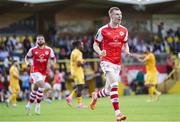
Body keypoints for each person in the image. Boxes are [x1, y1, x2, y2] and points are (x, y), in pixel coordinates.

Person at [90, 7, 130, 121]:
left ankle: (96, 95)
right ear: (111, 16)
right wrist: (100, 52)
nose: (119, 16)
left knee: (108, 91)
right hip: (106, 61)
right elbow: (95, 45)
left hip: (117, 63)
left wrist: (126, 50)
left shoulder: (124, 30)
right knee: (115, 85)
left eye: (120, 14)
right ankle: (118, 114)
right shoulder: (102, 30)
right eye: (117, 14)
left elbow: (125, 44)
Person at [25, 34, 56, 115]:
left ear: (44, 40)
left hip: (44, 71)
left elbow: (53, 58)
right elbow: (26, 57)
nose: (40, 41)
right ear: (36, 41)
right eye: (38, 39)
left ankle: (29, 104)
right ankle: (38, 106)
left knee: (35, 89)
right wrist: (28, 63)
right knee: (42, 85)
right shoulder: (32, 50)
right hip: (34, 70)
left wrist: (52, 63)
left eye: (41, 39)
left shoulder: (49, 50)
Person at [66, 40, 87, 109]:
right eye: (81, 45)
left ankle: (70, 97)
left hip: (74, 71)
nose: (82, 46)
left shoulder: (73, 52)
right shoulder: (78, 53)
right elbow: (78, 63)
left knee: (80, 86)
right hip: (77, 71)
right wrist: (83, 62)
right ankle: (79, 104)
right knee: (80, 86)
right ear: (78, 45)